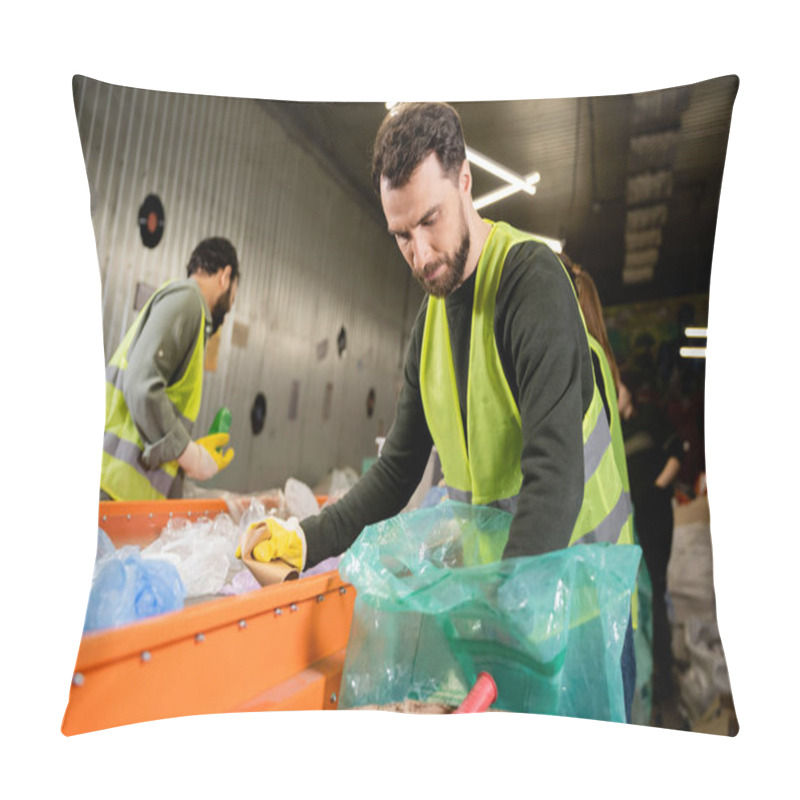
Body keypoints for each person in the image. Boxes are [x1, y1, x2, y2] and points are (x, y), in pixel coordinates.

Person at [246, 103, 636, 716]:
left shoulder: (529, 285)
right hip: (502, 613)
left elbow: (554, 474)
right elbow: (395, 472)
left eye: (431, 221)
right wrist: (304, 540)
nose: (421, 255)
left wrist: (505, 624)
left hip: (577, 612)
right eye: (402, 235)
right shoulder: (427, 328)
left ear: (465, 183)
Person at [100, 237, 239, 501]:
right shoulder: (188, 300)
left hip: (122, 495)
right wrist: (188, 454)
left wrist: (187, 457)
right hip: (110, 489)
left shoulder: (189, 310)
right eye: (234, 294)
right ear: (225, 276)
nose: (230, 306)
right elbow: (142, 383)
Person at [619, 369, 683, 718]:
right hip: (634, 523)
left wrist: (658, 487)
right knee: (643, 602)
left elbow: (677, 452)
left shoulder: (650, 417)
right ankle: (652, 679)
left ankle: (665, 682)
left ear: (628, 388)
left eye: (618, 388)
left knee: (655, 594)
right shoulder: (617, 429)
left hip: (657, 517)